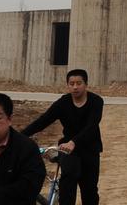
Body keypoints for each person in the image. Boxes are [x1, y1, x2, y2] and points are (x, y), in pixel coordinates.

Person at [21, 68, 103, 205]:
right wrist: (18, 137)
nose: (75, 87)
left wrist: (74, 142)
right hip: (68, 150)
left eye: (79, 83)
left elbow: (92, 126)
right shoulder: (63, 103)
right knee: (68, 182)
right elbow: (43, 121)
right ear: (68, 85)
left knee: (89, 191)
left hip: (90, 149)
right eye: (71, 84)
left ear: (86, 84)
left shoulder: (96, 101)